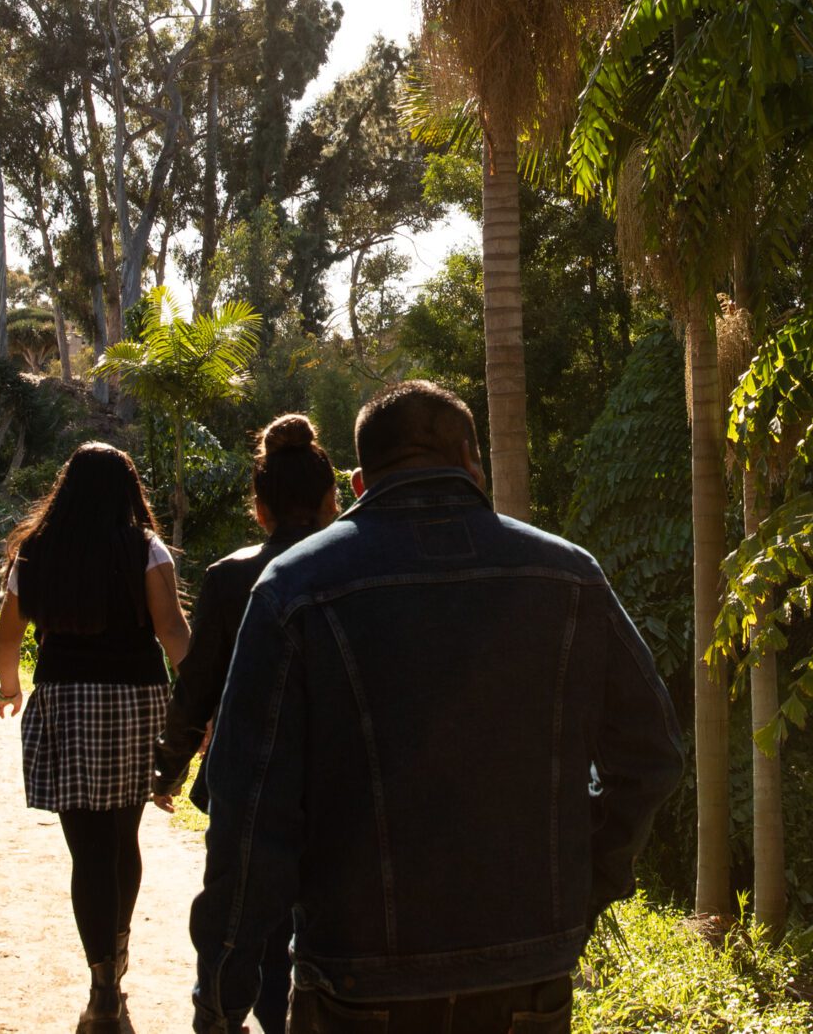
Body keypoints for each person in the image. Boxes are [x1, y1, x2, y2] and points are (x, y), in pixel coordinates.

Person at [188, 380, 684, 1034]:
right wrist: (584, 887)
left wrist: (222, 999)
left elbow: (249, 810)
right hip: (527, 976)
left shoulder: (294, 588)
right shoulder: (569, 575)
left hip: (358, 980)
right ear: (473, 462)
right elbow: (652, 756)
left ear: (359, 481)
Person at [0, 442, 192, 1034]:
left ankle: (102, 984)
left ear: (66, 489)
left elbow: (8, 637)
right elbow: (173, 630)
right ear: (130, 492)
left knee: (86, 850)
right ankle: (117, 968)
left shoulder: (35, 551)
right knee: (122, 837)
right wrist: (204, 700)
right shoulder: (146, 548)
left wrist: (9, 688)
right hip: (136, 701)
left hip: (66, 701)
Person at [151, 414, 342, 1034]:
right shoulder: (351, 575)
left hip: (246, 782)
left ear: (258, 509)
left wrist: (171, 765)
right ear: (331, 503)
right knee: (315, 922)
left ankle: (224, 1017)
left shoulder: (231, 578)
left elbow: (198, 686)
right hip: (338, 780)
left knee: (235, 923)